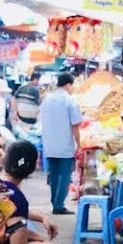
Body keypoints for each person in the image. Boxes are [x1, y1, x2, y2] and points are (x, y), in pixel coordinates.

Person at [39, 73, 84, 215]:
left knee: (53, 175)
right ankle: (58, 205)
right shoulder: (69, 101)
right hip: (65, 144)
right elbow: (75, 125)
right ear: (68, 85)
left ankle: (55, 202)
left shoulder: (46, 100)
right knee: (64, 175)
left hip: (49, 143)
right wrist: (79, 144)